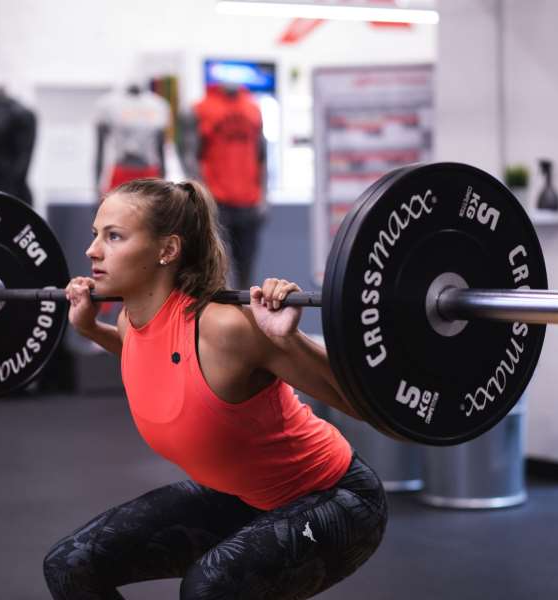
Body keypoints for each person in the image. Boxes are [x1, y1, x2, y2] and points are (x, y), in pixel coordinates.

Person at [43, 178, 388, 599]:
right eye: (96, 234)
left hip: (335, 500)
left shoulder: (226, 329)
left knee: (210, 588)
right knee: (70, 565)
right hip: (241, 496)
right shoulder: (128, 322)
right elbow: (163, 363)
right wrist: (90, 329)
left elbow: (365, 402)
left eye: (113, 236)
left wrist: (286, 340)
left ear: (167, 250)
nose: (92, 250)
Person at [185, 83, 267, 289]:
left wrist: (264, 197)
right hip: (216, 201)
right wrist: (200, 197)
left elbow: (262, 155)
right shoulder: (200, 109)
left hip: (249, 201)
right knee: (217, 271)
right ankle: (222, 318)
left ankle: (245, 318)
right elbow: (190, 156)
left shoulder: (253, 107)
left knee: (247, 273)